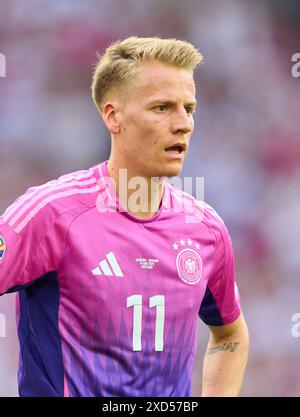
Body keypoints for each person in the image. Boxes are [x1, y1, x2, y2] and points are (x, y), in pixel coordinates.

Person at [0, 36, 249, 397]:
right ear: (113, 116)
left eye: (189, 108)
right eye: (162, 108)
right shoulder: (51, 213)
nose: (183, 124)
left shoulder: (206, 230)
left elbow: (230, 335)